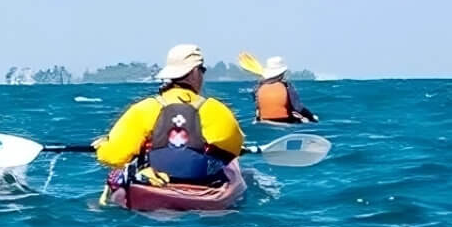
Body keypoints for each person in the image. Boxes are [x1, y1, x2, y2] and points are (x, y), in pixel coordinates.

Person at [94, 44, 246, 186]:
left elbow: (114, 157)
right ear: (194, 73)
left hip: (153, 185)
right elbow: (234, 149)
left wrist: (102, 147)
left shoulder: (143, 109)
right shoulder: (216, 110)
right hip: (202, 184)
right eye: (202, 70)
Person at [253, 56, 319, 124]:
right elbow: (298, 107)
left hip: (263, 122)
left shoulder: (258, 88)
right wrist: (311, 117)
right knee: (307, 120)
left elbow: (258, 109)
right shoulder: (287, 86)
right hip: (285, 123)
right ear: (282, 73)